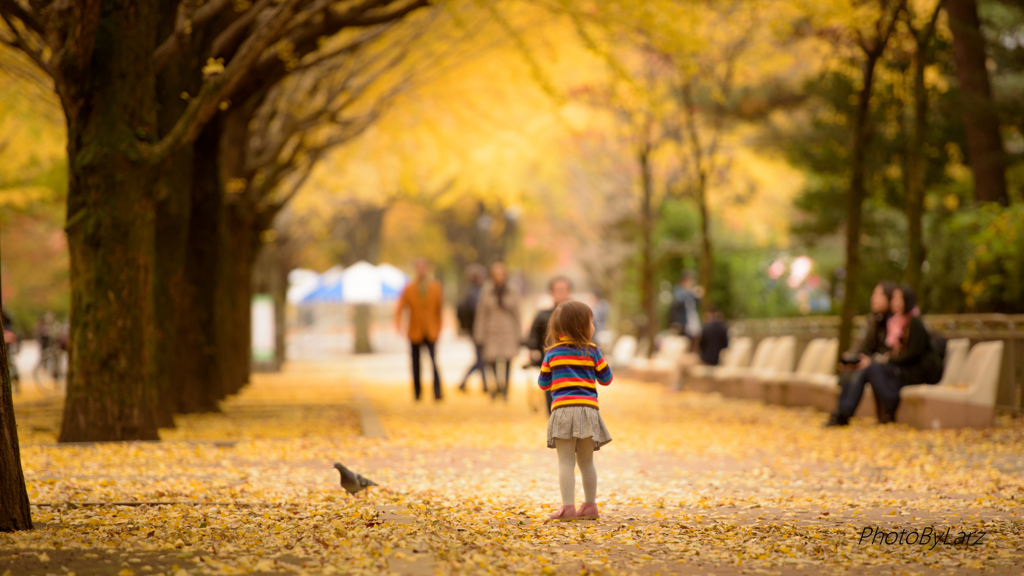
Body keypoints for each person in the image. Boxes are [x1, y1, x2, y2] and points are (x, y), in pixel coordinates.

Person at [538, 300, 613, 523]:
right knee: (587, 462)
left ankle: (568, 508)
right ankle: (590, 505)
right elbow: (607, 379)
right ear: (582, 327)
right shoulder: (593, 351)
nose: (594, 326)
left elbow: (543, 384)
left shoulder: (551, 354)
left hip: (562, 412)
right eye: (591, 322)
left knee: (566, 462)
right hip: (588, 412)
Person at [860, 285, 943, 423]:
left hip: (922, 371)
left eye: (900, 299)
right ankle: (885, 411)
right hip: (908, 368)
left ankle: (891, 401)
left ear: (908, 301)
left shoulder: (915, 322)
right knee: (873, 368)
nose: (895, 303)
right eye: (894, 299)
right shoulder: (896, 324)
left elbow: (914, 353)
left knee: (874, 368)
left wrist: (889, 361)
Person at [825, 281, 896, 427]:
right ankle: (840, 411)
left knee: (862, 371)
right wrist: (852, 358)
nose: (873, 298)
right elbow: (863, 345)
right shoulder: (873, 321)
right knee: (851, 370)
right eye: (873, 294)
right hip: (873, 365)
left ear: (890, 299)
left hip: (886, 368)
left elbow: (892, 353)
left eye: (879, 294)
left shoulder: (895, 323)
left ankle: (844, 413)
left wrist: (871, 360)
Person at [395, 257, 443, 402]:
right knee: (415, 364)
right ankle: (417, 393)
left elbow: (439, 309)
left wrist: (439, 327)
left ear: (427, 269)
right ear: (415, 269)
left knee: (434, 362)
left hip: (431, 330)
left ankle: (437, 393)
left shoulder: (435, 287)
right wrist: (399, 325)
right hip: (414, 331)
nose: (421, 270)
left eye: (424, 267)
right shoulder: (408, 288)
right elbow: (400, 308)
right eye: (419, 267)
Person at [473, 261, 521, 401]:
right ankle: (496, 386)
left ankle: (505, 389)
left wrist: (519, 334)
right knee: (491, 361)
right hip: (491, 330)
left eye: (501, 273)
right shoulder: (487, 290)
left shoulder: (512, 289)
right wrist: (479, 334)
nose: (499, 276)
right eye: (496, 273)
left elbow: (517, 313)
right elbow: (481, 314)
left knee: (507, 361)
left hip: (508, 330)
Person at [526, 276, 573, 413]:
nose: (561, 293)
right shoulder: (542, 315)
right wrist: (532, 350)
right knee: (550, 387)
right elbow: (533, 335)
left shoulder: (577, 314)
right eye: (558, 290)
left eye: (564, 290)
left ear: (569, 292)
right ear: (551, 293)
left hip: (573, 360)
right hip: (549, 360)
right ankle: (552, 414)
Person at [457, 264, 488, 393]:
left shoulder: (470, 292)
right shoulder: (475, 293)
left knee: (481, 358)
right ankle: (467, 382)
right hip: (477, 330)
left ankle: (484, 385)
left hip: (475, 330)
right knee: (481, 359)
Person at [669, 272, 702, 338]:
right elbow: (678, 301)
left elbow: (696, 305)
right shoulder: (679, 290)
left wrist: (698, 295)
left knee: (694, 337)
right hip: (681, 321)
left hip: (691, 321)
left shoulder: (691, 292)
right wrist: (689, 291)